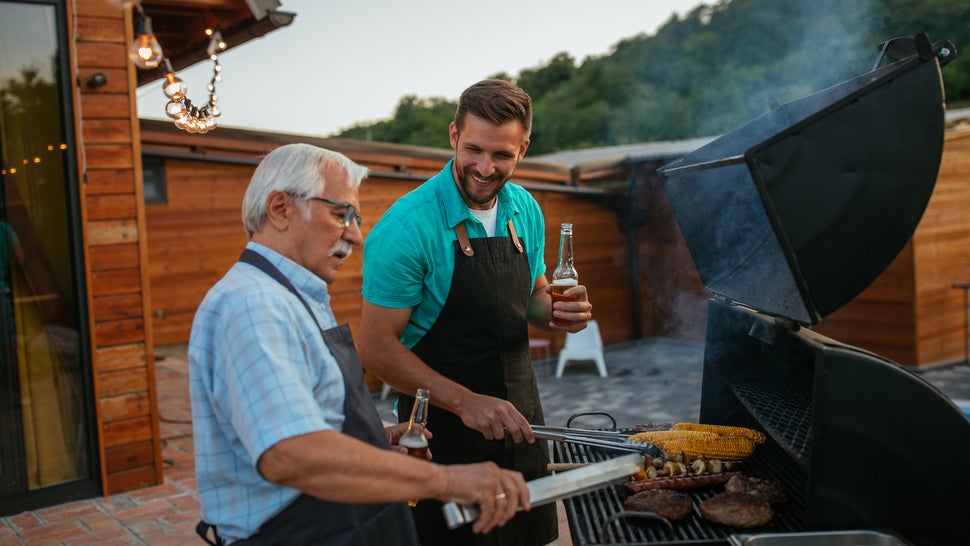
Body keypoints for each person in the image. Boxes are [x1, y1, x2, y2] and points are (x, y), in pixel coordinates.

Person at [188, 143, 530, 546]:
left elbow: (304, 414)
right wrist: (449, 479)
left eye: (355, 218)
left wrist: (372, 435)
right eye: (340, 214)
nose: (355, 234)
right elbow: (291, 454)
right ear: (280, 209)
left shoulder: (294, 297)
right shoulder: (254, 304)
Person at [359, 79, 594, 546]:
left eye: (502, 155)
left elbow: (533, 296)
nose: (486, 168)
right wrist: (465, 402)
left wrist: (558, 312)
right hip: (440, 430)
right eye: (474, 150)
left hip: (521, 417)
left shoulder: (525, 208)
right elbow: (376, 350)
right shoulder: (407, 228)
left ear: (523, 148)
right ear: (453, 136)